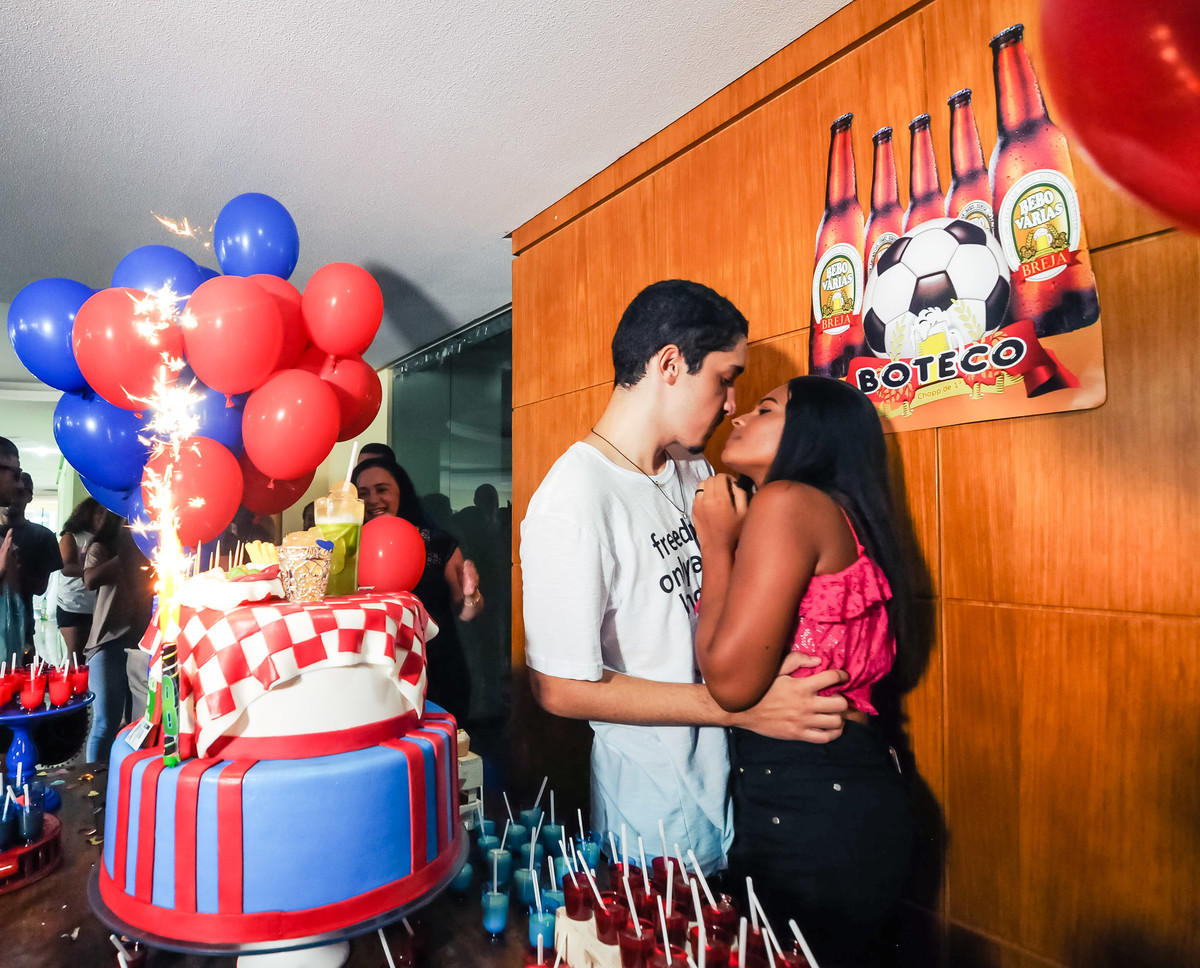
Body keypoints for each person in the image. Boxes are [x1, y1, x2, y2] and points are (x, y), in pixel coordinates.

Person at [520, 280, 851, 877]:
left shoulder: (690, 467)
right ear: (670, 364)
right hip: (654, 819)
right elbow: (559, 689)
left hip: (737, 790)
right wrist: (738, 710)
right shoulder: (573, 498)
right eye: (725, 377)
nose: (730, 403)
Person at [692, 376, 916, 966]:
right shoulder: (838, 514)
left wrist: (714, 544)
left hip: (813, 804)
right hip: (838, 793)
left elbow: (731, 683)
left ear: (814, 434)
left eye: (765, 409)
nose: (736, 417)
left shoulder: (787, 500)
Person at [351, 458, 482, 720]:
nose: (373, 499)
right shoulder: (349, 549)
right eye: (362, 494)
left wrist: (471, 596)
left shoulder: (438, 543)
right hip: (373, 670)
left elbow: (468, 613)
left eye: (382, 489)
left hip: (438, 668)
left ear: (402, 491)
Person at [83, 511, 155, 762]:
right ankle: (92, 783)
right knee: (105, 722)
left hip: (138, 643)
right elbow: (90, 579)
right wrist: (124, 556)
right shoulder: (102, 547)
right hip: (107, 642)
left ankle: (120, 776)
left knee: (133, 723)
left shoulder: (148, 553)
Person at [2, 471, 63, 660]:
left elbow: (40, 588)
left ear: (29, 496)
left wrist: (14, 571)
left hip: (22, 629)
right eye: (11, 490)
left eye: (20, 492)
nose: (14, 498)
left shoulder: (43, 537)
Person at [57, 497, 105, 663]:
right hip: (73, 605)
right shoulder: (72, 537)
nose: (104, 516)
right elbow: (66, 567)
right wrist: (94, 572)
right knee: (77, 658)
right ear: (88, 513)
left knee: (92, 656)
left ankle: (87, 688)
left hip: (96, 606)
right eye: (100, 512)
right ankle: (74, 688)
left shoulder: (105, 540)